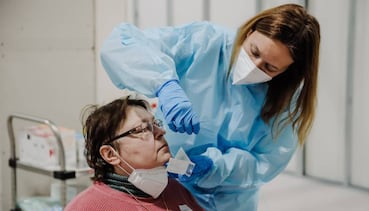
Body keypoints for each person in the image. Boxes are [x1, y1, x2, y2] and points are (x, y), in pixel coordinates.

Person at [100, 3, 320, 211]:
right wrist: (164, 83)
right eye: (253, 52)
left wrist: (218, 167)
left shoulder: (288, 98)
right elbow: (122, 44)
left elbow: (266, 162)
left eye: (270, 67)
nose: (254, 66)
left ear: (287, 71)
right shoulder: (206, 42)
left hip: (231, 202)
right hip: (168, 187)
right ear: (250, 31)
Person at [64, 96, 204, 211]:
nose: (161, 132)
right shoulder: (87, 207)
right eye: (142, 129)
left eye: (156, 124)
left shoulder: (177, 190)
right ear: (110, 154)